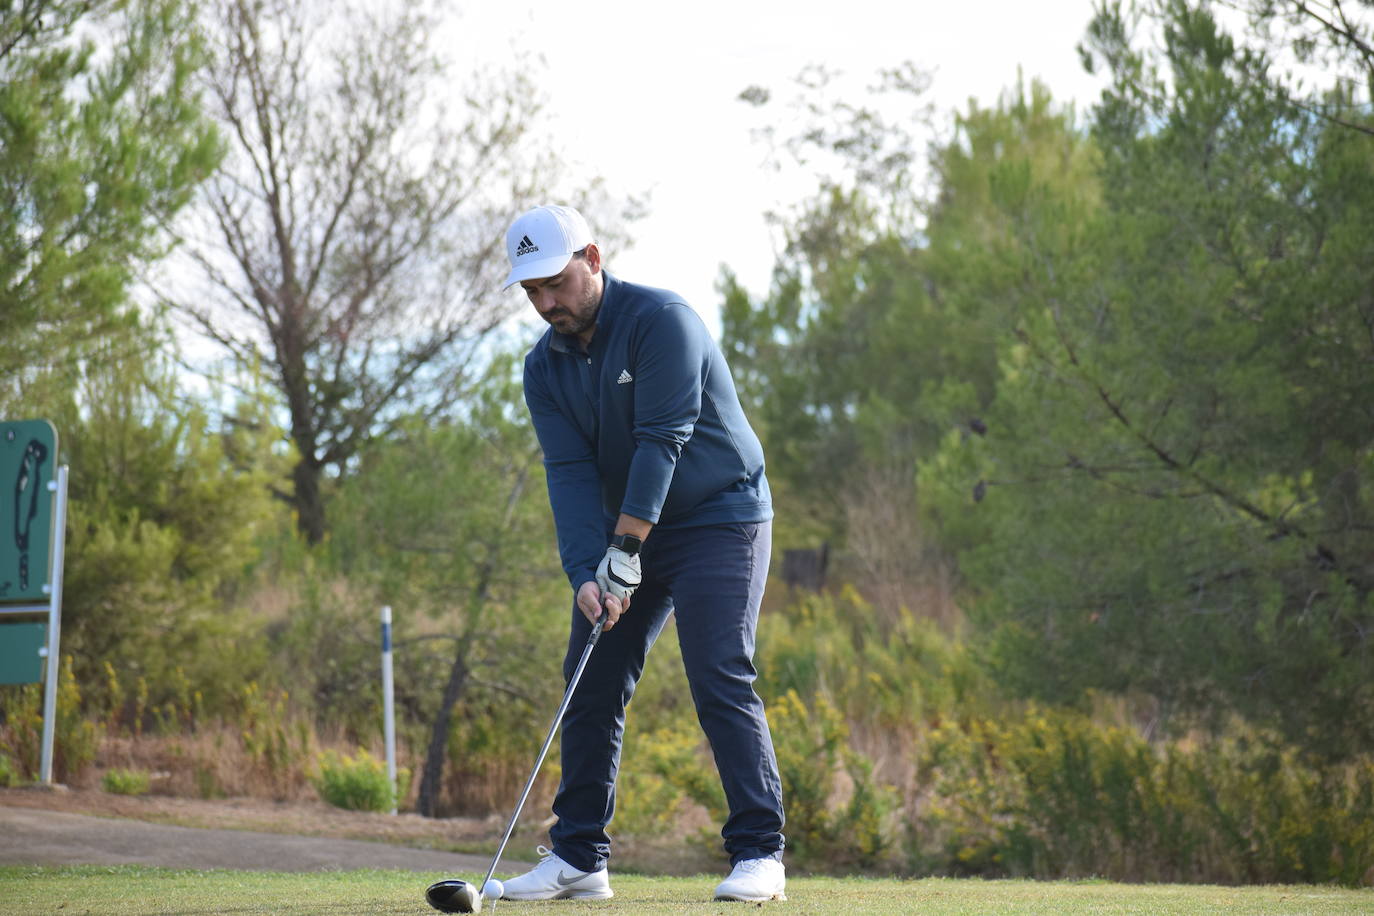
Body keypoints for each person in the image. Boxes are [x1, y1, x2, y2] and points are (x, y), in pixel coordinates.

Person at [498, 204, 786, 903]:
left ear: (591, 258)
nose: (545, 303)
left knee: (718, 671)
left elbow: (664, 441)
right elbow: (568, 475)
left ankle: (760, 854)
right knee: (590, 679)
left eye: (555, 283)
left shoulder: (663, 321)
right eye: (530, 291)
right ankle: (578, 860)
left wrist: (624, 551)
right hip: (627, 531)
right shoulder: (545, 369)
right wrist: (585, 574)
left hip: (721, 515)